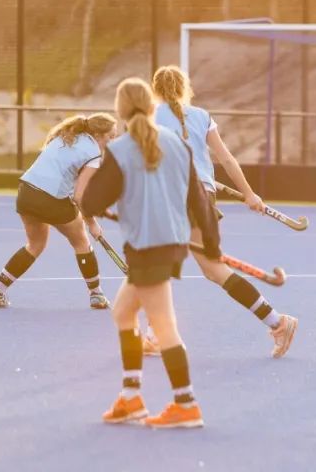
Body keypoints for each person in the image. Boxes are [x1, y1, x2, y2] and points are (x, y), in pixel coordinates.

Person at [81, 77, 218, 429]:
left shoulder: (121, 148)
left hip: (148, 249)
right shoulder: (177, 143)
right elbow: (199, 199)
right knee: (123, 313)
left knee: (164, 327)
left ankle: (186, 404)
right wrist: (213, 245)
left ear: (120, 110)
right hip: (169, 245)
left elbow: (92, 202)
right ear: (153, 106)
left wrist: (114, 204)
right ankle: (131, 398)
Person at [151, 65, 297, 358]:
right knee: (212, 270)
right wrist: (249, 194)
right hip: (204, 194)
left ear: (155, 90)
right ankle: (277, 322)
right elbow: (227, 160)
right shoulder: (202, 116)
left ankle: (159, 337)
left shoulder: (148, 118)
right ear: (184, 88)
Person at [0, 113, 117, 310]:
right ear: (97, 135)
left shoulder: (67, 135)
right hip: (50, 199)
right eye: (110, 137)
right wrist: (93, 224)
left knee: (35, 244)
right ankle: (96, 294)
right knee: (81, 241)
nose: (113, 141)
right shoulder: (94, 153)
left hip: (26, 192)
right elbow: (80, 197)